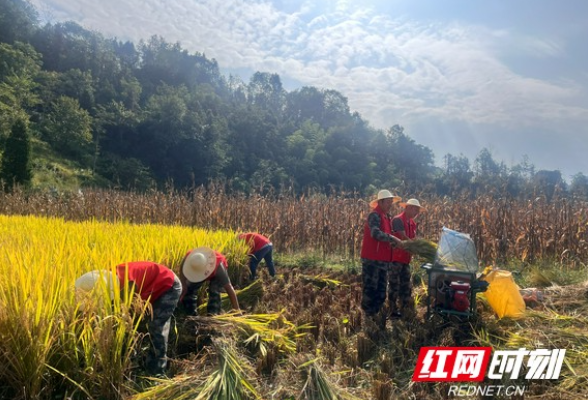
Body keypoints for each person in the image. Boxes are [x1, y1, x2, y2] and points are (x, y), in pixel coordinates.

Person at [75, 262, 182, 376]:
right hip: (148, 286)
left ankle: (157, 371)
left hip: (168, 284)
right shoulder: (102, 280)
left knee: (156, 326)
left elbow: (127, 319)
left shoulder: (126, 285)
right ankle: (136, 359)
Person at [359, 190, 404, 326]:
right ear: (381, 202)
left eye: (391, 202)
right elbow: (375, 233)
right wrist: (392, 238)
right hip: (372, 260)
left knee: (381, 291)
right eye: (388, 202)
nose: (391, 204)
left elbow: (386, 238)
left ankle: (376, 319)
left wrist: (394, 244)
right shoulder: (375, 215)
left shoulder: (386, 217)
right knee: (370, 290)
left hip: (384, 261)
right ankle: (367, 320)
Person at [179, 246, 240, 316]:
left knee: (214, 291)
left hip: (214, 270)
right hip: (197, 269)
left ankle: (212, 315)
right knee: (189, 289)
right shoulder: (190, 259)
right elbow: (182, 269)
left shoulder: (219, 268)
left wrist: (237, 310)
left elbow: (229, 287)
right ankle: (191, 315)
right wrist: (183, 284)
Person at [389, 198, 424, 318]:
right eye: (415, 209)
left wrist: (418, 245)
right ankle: (392, 311)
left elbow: (412, 238)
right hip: (395, 258)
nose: (416, 212)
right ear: (408, 208)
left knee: (406, 284)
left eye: (418, 210)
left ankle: (405, 307)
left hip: (405, 259)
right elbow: (402, 237)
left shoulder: (412, 223)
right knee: (394, 284)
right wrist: (416, 247)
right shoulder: (398, 220)